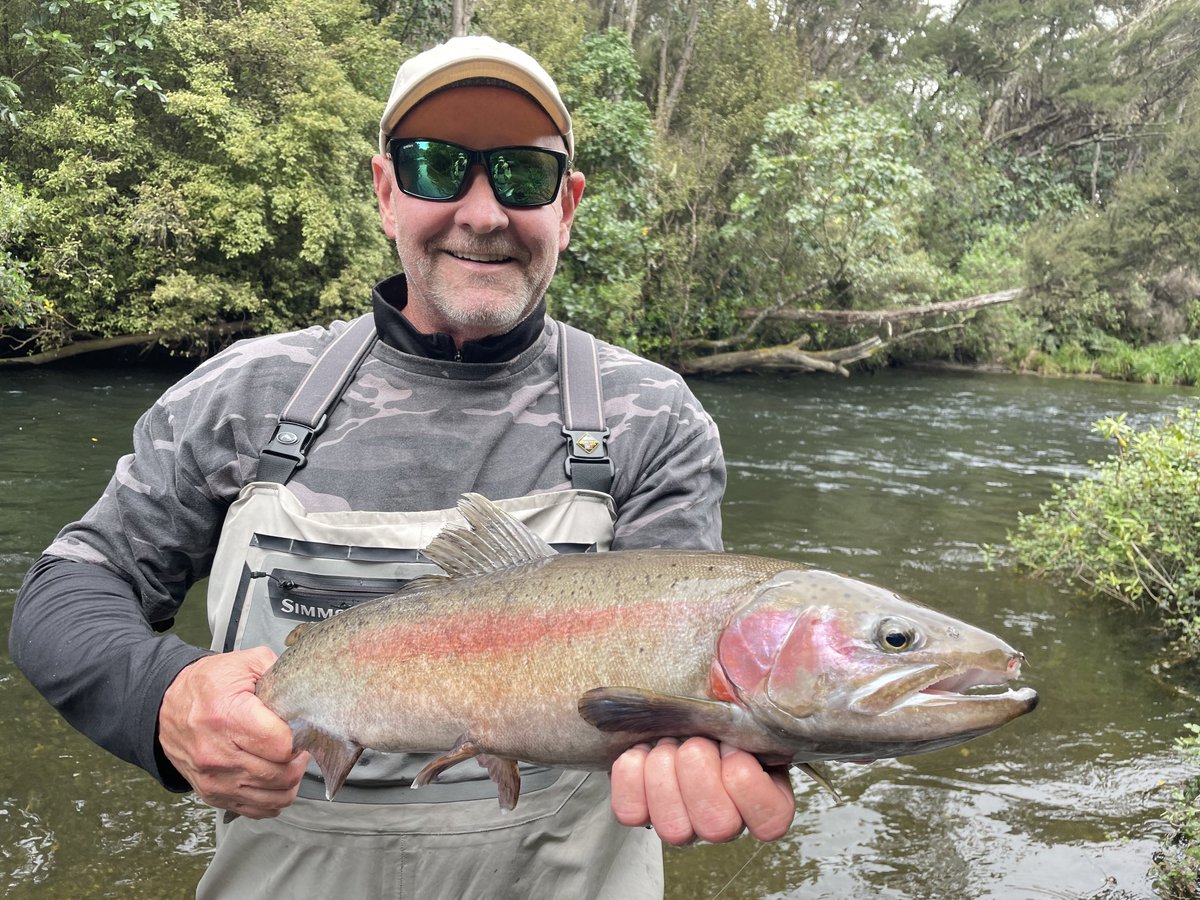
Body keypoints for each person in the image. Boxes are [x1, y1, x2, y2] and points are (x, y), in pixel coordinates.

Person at [9, 35, 795, 898]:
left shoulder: (651, 418)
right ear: (386, 193)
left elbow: (690, 668)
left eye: (523, 176)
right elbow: (66, 591)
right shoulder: (245, 394)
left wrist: (737, 743)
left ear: (566, 206)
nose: (484, 212)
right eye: (437, 166)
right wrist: (163, 698)